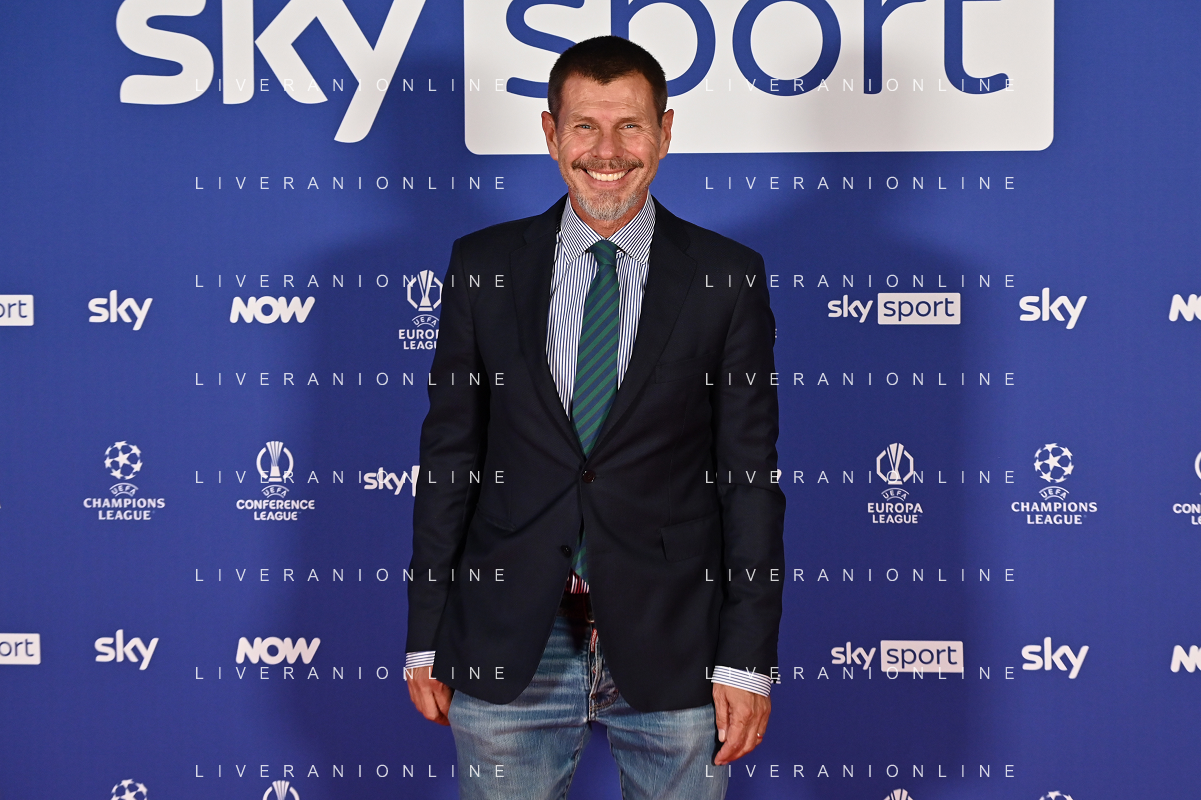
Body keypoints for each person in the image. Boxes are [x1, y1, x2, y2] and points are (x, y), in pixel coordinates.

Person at [404, 35, 785, 800]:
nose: (606, 151)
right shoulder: (482, 266)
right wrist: (425, 635)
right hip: (511, 634)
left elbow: (748, 480)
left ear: (664, 132)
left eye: (629, 126)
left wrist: (747, 658)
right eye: (584, 126)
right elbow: (450, 460)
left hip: (677, 638)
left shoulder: (726, 276)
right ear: (551, 134)